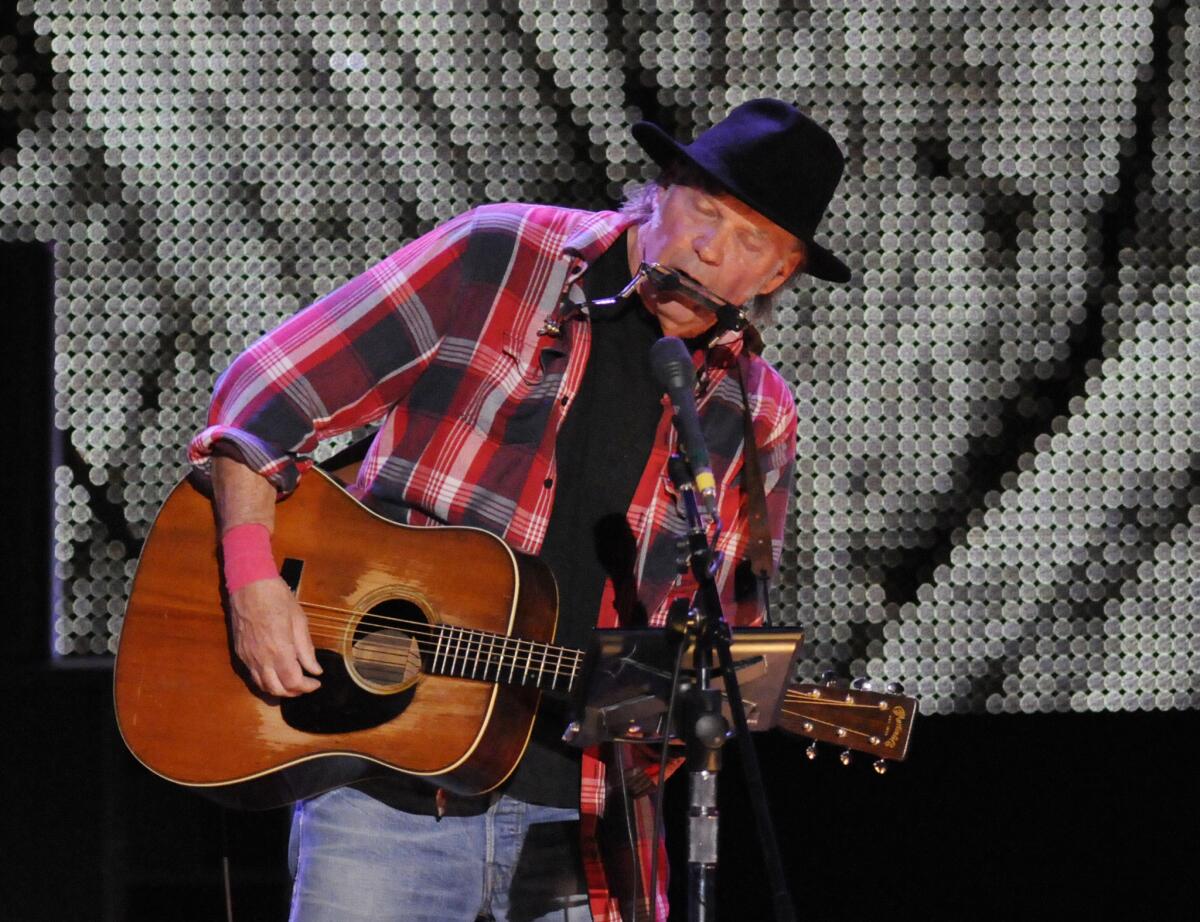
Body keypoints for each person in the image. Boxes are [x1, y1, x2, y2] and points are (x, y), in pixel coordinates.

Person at [188, 98, 850, 922]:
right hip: (385, 790)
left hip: (586, 832)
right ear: (661, 190)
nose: (709, 249)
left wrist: (685, 705)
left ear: (779, 275)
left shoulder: (757, 415)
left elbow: (726, 643)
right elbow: (262, 397)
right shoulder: (502, 256)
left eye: (750, 241)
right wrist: (253, 583)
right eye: (703, 210)